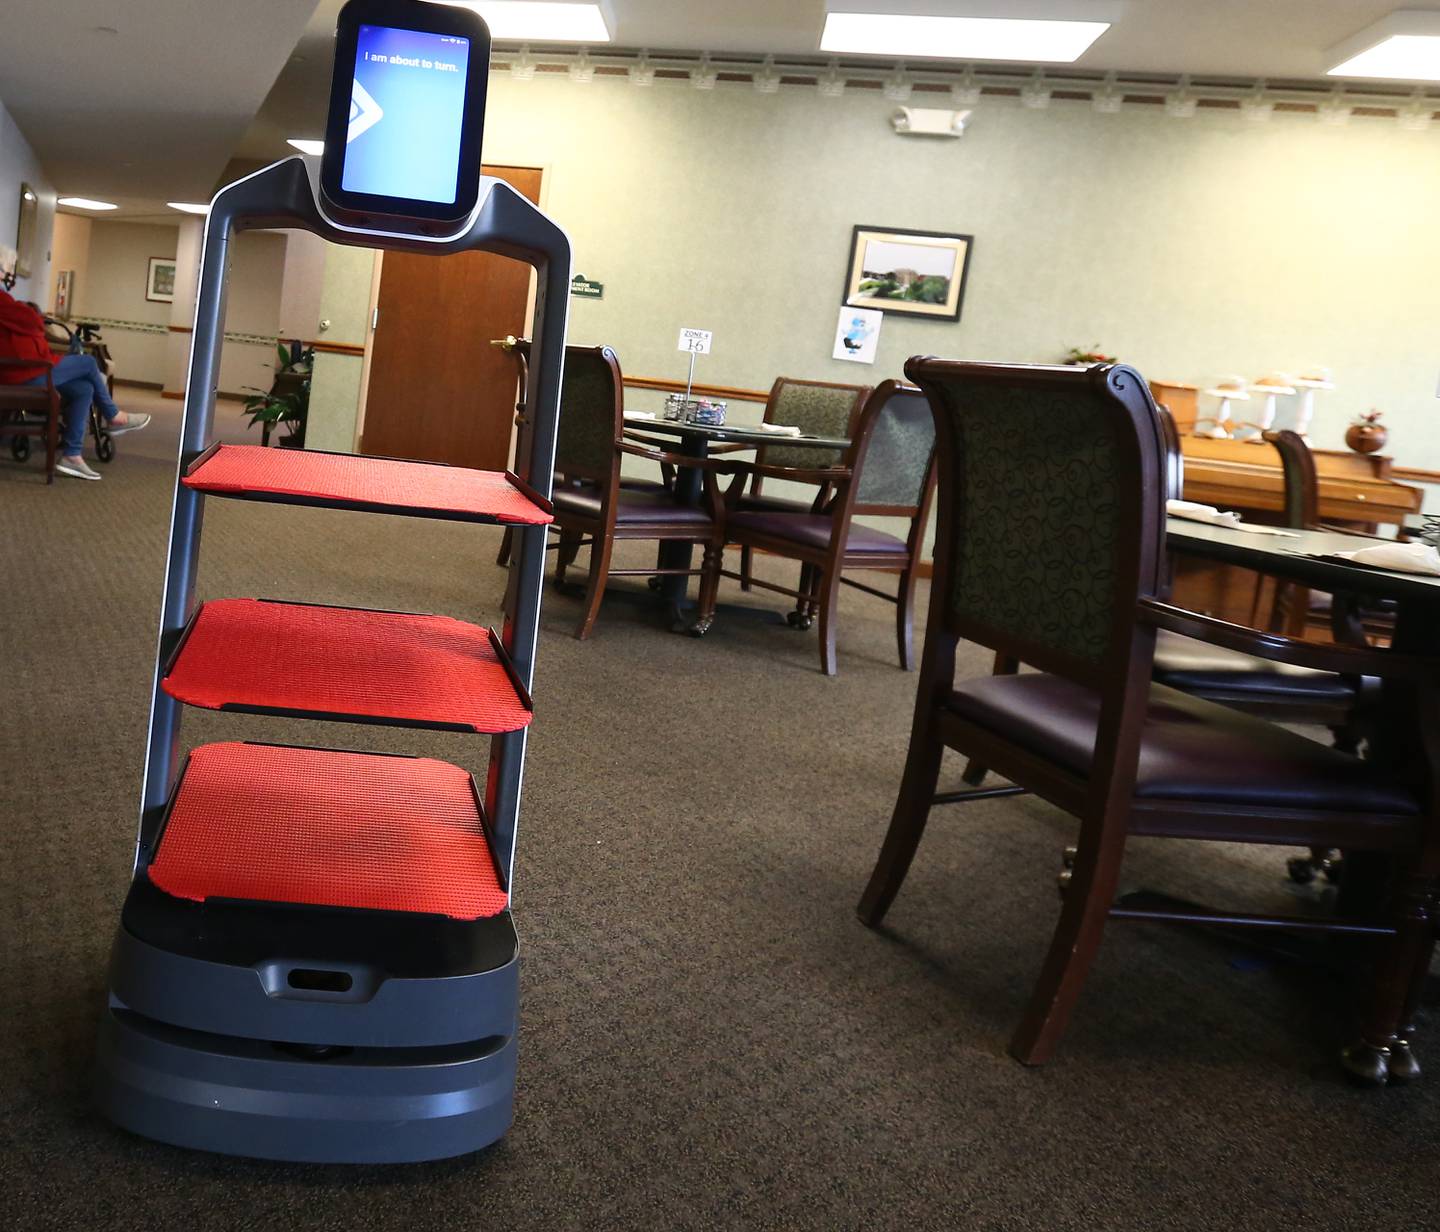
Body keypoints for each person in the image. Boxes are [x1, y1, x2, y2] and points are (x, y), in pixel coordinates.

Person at [0, 287, 149, 480]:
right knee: (88, 362)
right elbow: (32, 320)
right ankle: (113, 416)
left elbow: (29, 322)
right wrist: (28, 310)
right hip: (24, 374)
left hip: (29, 370)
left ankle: (72, 455)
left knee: (83, 389)